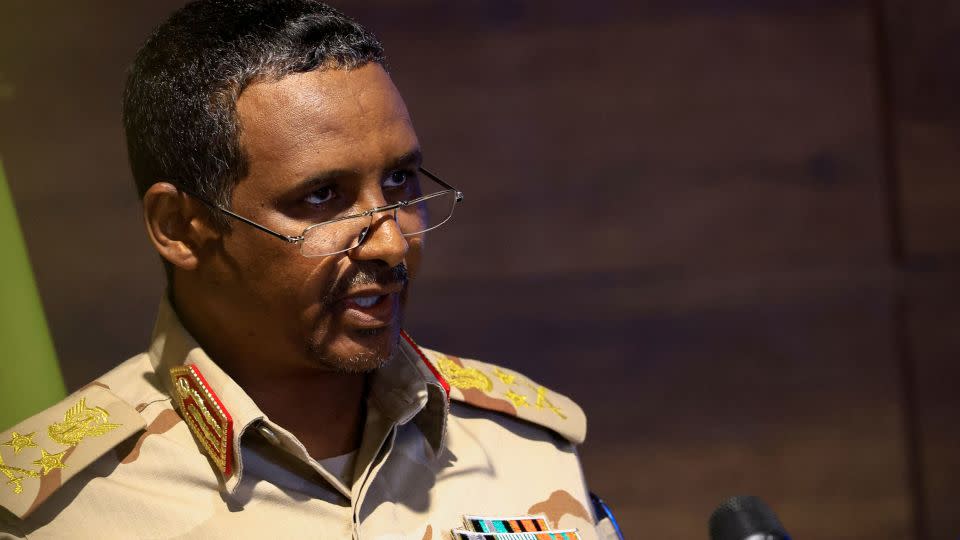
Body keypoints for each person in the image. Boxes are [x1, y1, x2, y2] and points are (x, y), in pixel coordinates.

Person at [0, 1, 622, 538]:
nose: (391, 242)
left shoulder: (527, 448)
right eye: (323, 196)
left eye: (401, 180)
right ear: (179, 226)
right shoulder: (59, 513)